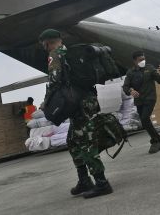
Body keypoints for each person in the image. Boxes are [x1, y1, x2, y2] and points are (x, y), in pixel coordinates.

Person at [39, 28, 111, 199]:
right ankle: (84, 180)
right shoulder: (70, 51)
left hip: (78, 104)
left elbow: (55, 80)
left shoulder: (55, 55)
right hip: (87, 101)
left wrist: (46, 103)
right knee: (72, 141)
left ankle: (102, 183)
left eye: (43, 44)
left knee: (85, 142)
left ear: (46, 42)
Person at [122, 51, 160, 154]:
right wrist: (131, 90)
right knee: (145, 122)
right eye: (140, 60)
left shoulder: (150, 68)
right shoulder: (131, 72)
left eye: (143, 59)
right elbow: (125, 87)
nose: (143, 61)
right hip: (139, 100)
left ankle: (155, 141)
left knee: (144, 118)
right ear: (135, 61)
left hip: (150, 98)